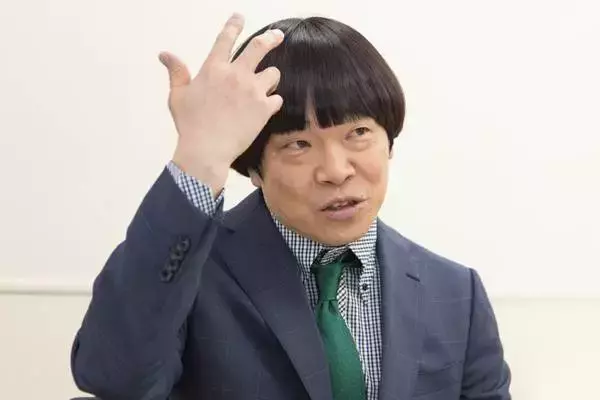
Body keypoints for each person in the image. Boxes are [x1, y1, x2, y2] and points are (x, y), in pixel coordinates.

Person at [70, 13, 511, 400]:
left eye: (358, 134)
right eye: (298, 144)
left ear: (389, 142)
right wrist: (199, 159)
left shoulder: (457, 292)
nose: (336, 171)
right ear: (253, 166)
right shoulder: (193, 275)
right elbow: (115, 379)